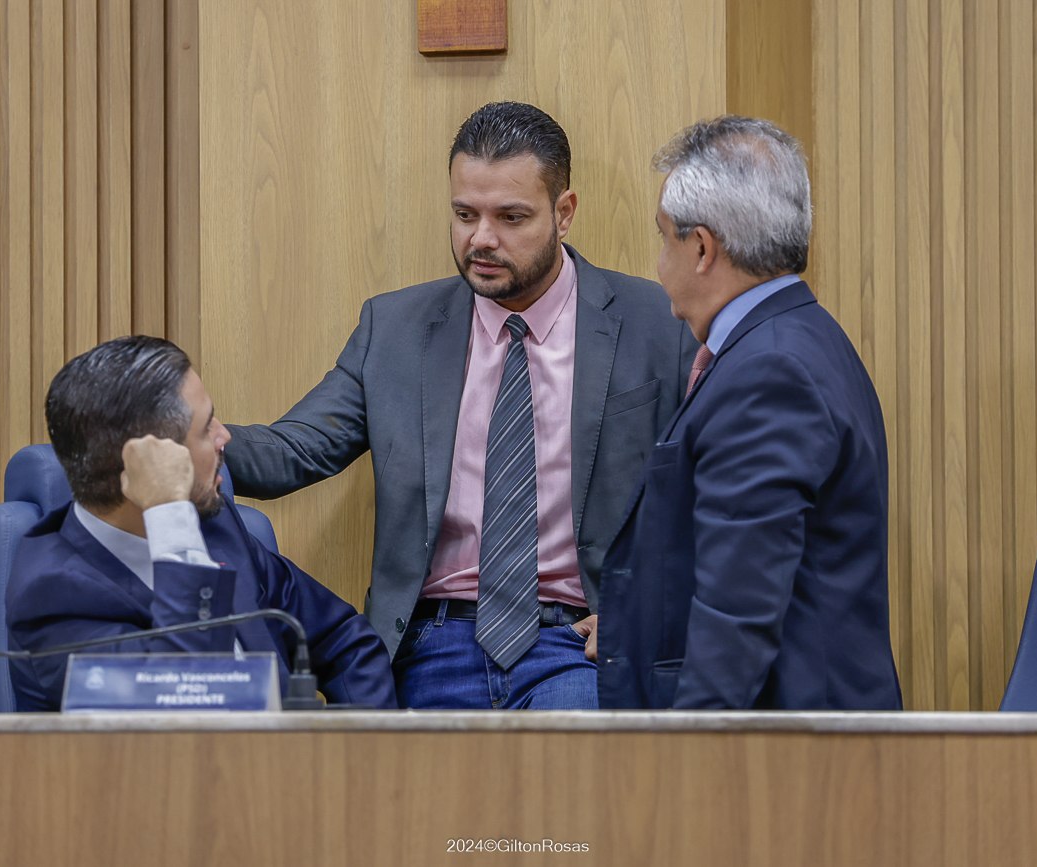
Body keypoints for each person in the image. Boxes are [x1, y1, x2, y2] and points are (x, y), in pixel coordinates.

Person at [224, 102, 696, 709]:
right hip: (431, 643)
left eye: (511, 217)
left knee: (579, 764)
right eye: (465, 214)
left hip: (577, 644)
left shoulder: (658, 325)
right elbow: (293, 450)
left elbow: (711, 490)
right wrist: (179, 440)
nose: (482, 239)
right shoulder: (394, 329)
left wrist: (649, 607)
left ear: (564, 212)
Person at [594, 116, 903, 710]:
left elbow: (736, 611)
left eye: (664, 239)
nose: (659, 263)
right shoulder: (799, 337)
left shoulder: (769, 373)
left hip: (782, 749)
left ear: (702, 248)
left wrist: (694, 752)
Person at [5, 336, 398, 712]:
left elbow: (345, 639)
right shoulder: (55, 598)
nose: (224, 436)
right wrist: (169, 515)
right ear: (151, 462)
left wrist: (363, 751)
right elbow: (197, 696)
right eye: (207, 426)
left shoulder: (216, 525)